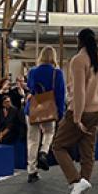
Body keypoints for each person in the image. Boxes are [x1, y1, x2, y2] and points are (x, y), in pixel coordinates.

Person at [52, 28, 98, 194]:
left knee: (58, 146)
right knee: (87, 155)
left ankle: (75, 182)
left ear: (79, 41)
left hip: (80, 112)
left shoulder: (78, 60)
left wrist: (76, 117)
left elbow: (79, 92)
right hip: (97, 111)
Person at [25, 46, 65, 183]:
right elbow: (60, 95)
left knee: (32, 140)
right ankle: (44, 152)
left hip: (33, 109)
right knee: (49, 133)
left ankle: (31, 171)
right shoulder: (57, 73)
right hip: (49, 108)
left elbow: (30, 88)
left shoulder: (32, 71)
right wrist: (61, 113)